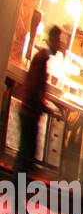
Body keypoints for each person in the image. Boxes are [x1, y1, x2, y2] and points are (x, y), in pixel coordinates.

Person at [15, 25, 63, 175]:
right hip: (29, 113)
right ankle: (17, 193)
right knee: (26, 156)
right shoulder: (41, 59)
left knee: (25, 156)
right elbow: (34, 92)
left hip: (28, 112)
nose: (60, 45)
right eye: (59, 40)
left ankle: (17, 192)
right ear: (52, 39)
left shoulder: (42, 58)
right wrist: (48, 109)